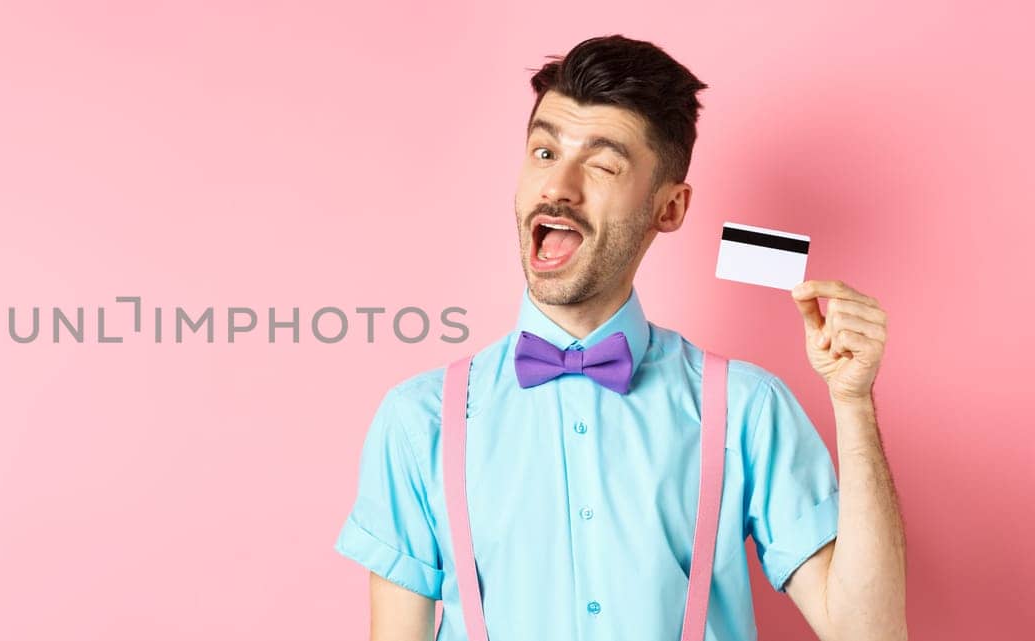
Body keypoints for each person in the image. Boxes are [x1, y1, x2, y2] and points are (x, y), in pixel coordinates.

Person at [333, 34, 906, 641]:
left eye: (603, 164)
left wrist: (853, 402)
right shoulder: (419, 420)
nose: (559, 187)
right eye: (545, 153)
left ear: (670, 208)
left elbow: (867, 633)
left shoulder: (745, 407)